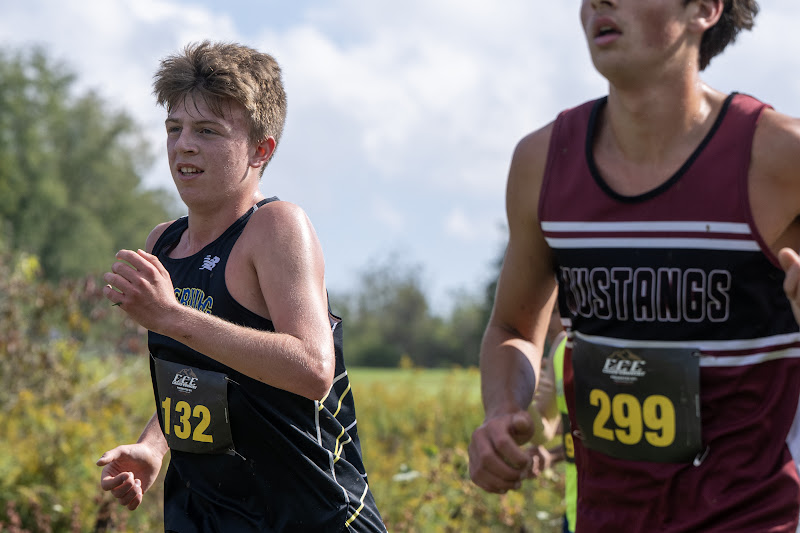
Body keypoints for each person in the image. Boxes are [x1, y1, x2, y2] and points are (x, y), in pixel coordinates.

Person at [469, 0, 800, 530]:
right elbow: (513, 326)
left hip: (754, 516)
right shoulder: (541, 163)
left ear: (704, 9)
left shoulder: (781, 157)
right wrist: (502, 409)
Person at [96, 41, 385, 532]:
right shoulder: (163, 243)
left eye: (207, 130)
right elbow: (198, 374)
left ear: (260, 150)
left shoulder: (276, 227)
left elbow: (313, 369)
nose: (184, 145)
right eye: (174, 128)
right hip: (205, 517)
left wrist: (171, 316)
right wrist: (153, 445)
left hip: (312, 517)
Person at [531, 329, 576, 533]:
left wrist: (552, 456)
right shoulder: (561, 345)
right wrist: (524, 398)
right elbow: (543, 432)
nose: (547, 323)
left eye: (554, 313)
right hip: (577, 512)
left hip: (640, 515)